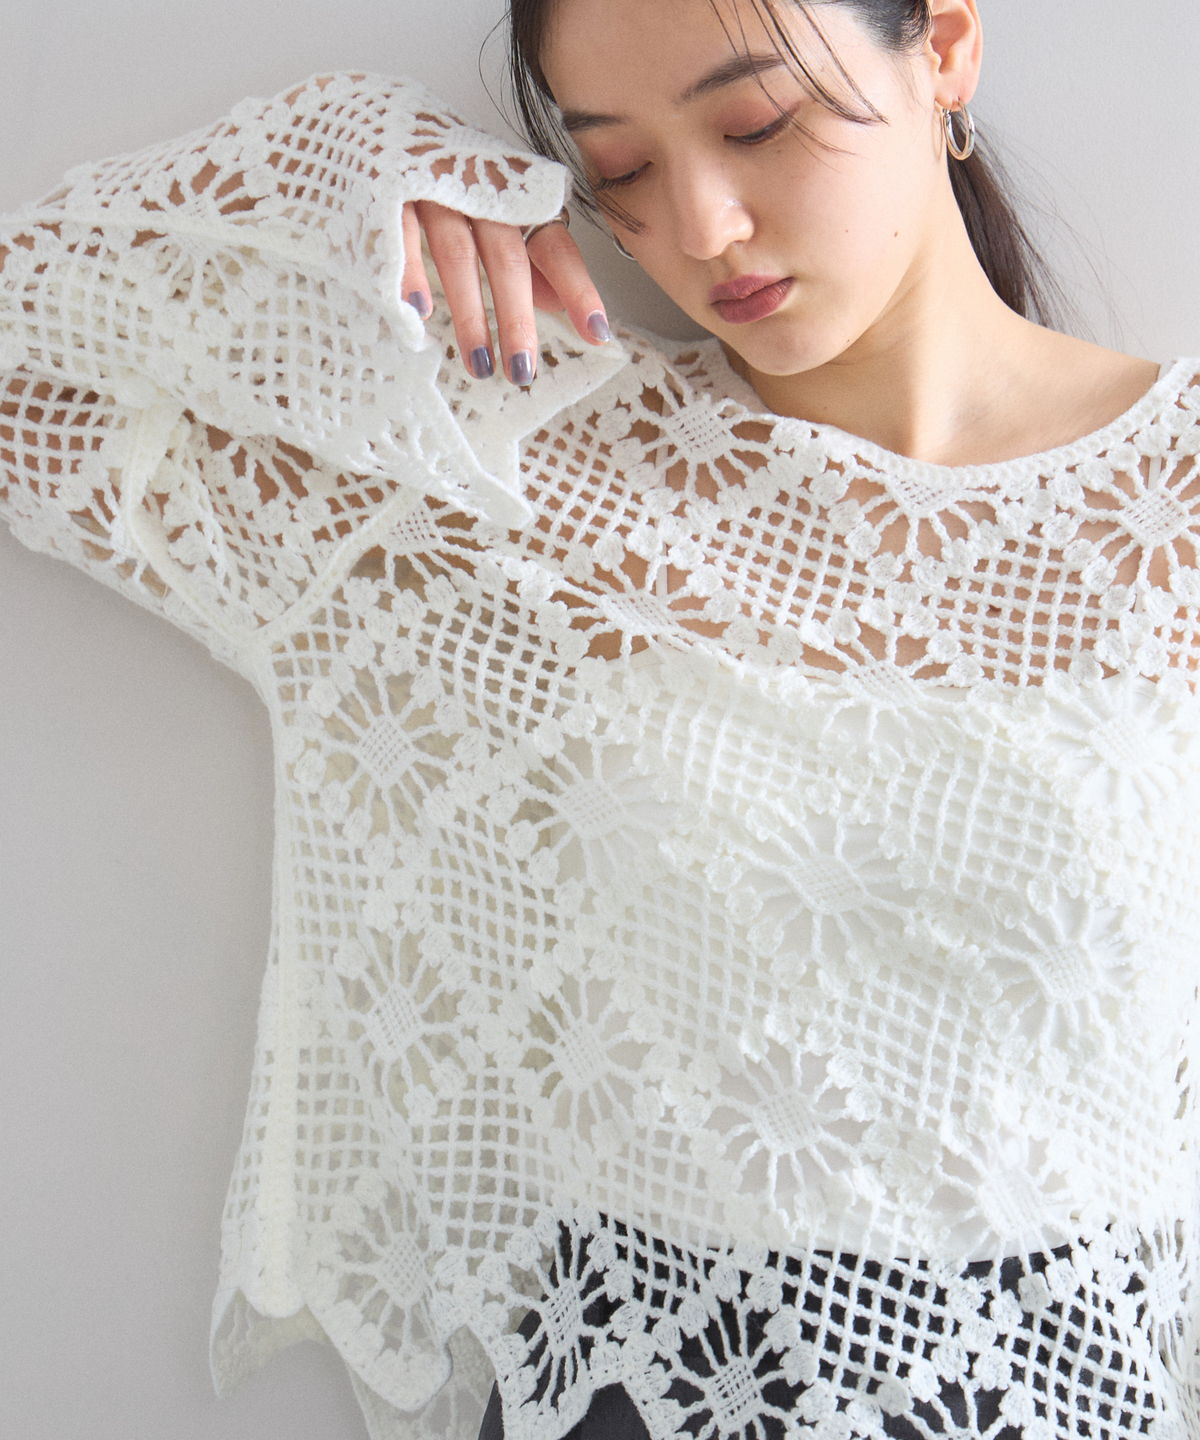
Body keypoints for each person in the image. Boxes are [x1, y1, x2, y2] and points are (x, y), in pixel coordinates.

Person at [3, 1, 1199, 1438]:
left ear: (941, 48)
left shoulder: (1175, 503)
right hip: (639, 1370)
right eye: (619, 168)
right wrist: (358, 162)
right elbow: (30, 380)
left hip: (1071, 1380)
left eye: (757, 123)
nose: (700, 228)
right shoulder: (531, 472)